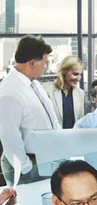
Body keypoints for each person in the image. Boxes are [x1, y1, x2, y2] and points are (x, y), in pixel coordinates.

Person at [0, 35, 59, 183]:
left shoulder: (33, 84)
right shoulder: (10, 92)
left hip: (45, 160)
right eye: (44, 63)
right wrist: (27, 169)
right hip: (29, 165)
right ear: (32, 63)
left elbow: (49, 119)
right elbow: (9, 138)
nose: (46, 67)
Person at [43, 56, 86, 129]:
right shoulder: (46, 90)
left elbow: (80, 121)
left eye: (80, 74)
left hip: (74, 138)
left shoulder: (80, 93)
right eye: (75, 74)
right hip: (52, 137)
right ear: (64, 71)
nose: (78, 78)